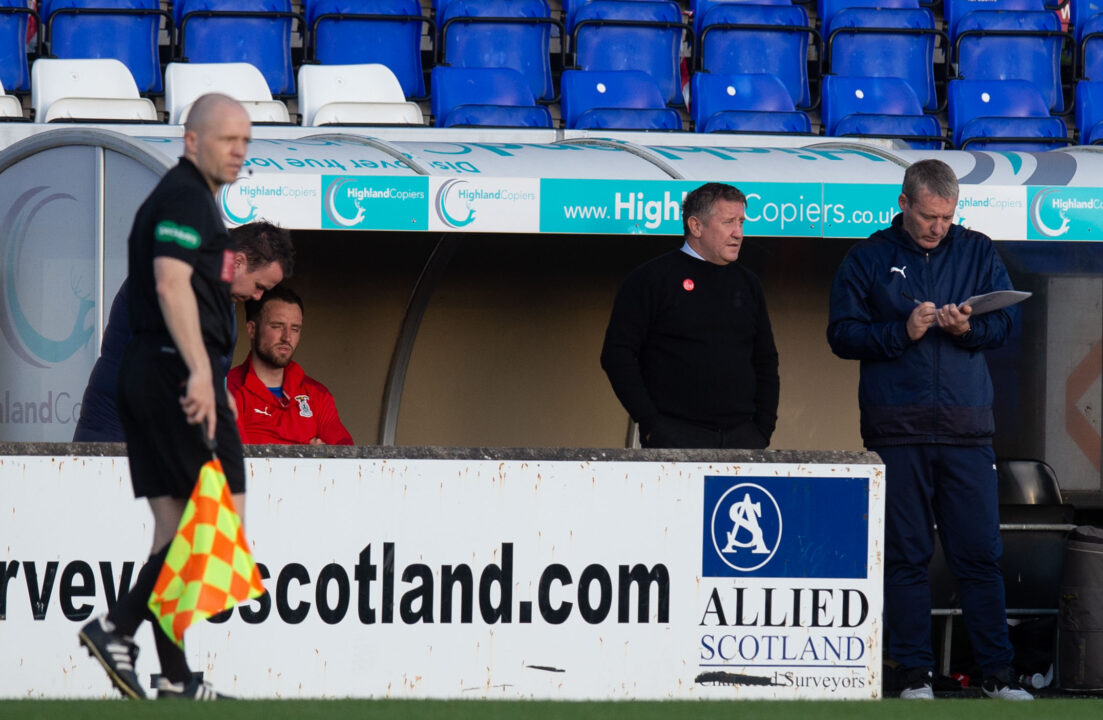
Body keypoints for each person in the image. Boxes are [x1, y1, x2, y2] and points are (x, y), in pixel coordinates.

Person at [77, 94, 288, 701]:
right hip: (167, 378)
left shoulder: (204, 213)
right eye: (228, 139)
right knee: (206, 524)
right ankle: (117, 627)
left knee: (174, 530)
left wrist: (211, 373)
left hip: (165, 377)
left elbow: (195, 293)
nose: (239, 151)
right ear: (192, 140)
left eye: (246, 140)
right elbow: (171, 286)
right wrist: (201, 373)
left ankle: (173, 677)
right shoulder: (183, 198)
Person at [827, 159, 1032, 701]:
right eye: (927, 216)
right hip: (897, 430)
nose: (938, 226)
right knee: (905, 554)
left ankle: (998, 676)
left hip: (967, 431)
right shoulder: (867, 256)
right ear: (903, 202)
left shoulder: (977, 249)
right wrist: (903, 331)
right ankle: (913, 675)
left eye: (946, 216)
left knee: (980, 555)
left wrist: (969, 328)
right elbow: (841, 335)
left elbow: (1008, 322)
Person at [72, 221, 296, 442]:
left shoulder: (224, 301)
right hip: (116, 433)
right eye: (259, 286)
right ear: (237, 262)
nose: (258, 297)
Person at [600, 182, 779, 449]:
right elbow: (617, 355)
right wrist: (651, 424)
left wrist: (763, 428)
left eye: (741, 222)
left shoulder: (748, 283)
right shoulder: (651, 279)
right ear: (696, 226)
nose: (738, 233)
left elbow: (765, 360)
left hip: (743, 438)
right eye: (728, 222)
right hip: (675, 438)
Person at [227, 286, 353, 445]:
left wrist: (326, 461)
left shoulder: (317, 395)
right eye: (277, 326)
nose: (287, 338)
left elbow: (346, 457)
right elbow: (236, 459)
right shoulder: (229, 389)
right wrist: (310, 461)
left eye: (295, 329)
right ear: (252, 330)